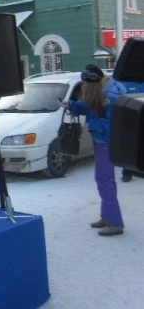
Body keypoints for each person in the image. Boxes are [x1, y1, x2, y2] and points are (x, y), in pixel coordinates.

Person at [66, 64, 126, 236]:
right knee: (106, 180)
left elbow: (112, 124)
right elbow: (88, 105)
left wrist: (91, 126)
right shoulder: (102, 89)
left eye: (86, 84)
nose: (84, 87)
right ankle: (106, 216)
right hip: (102, 141)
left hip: (107, 142)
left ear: (95, 83)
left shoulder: (111, 96)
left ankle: (115, 223)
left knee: (104, 180)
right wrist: (72, 105)